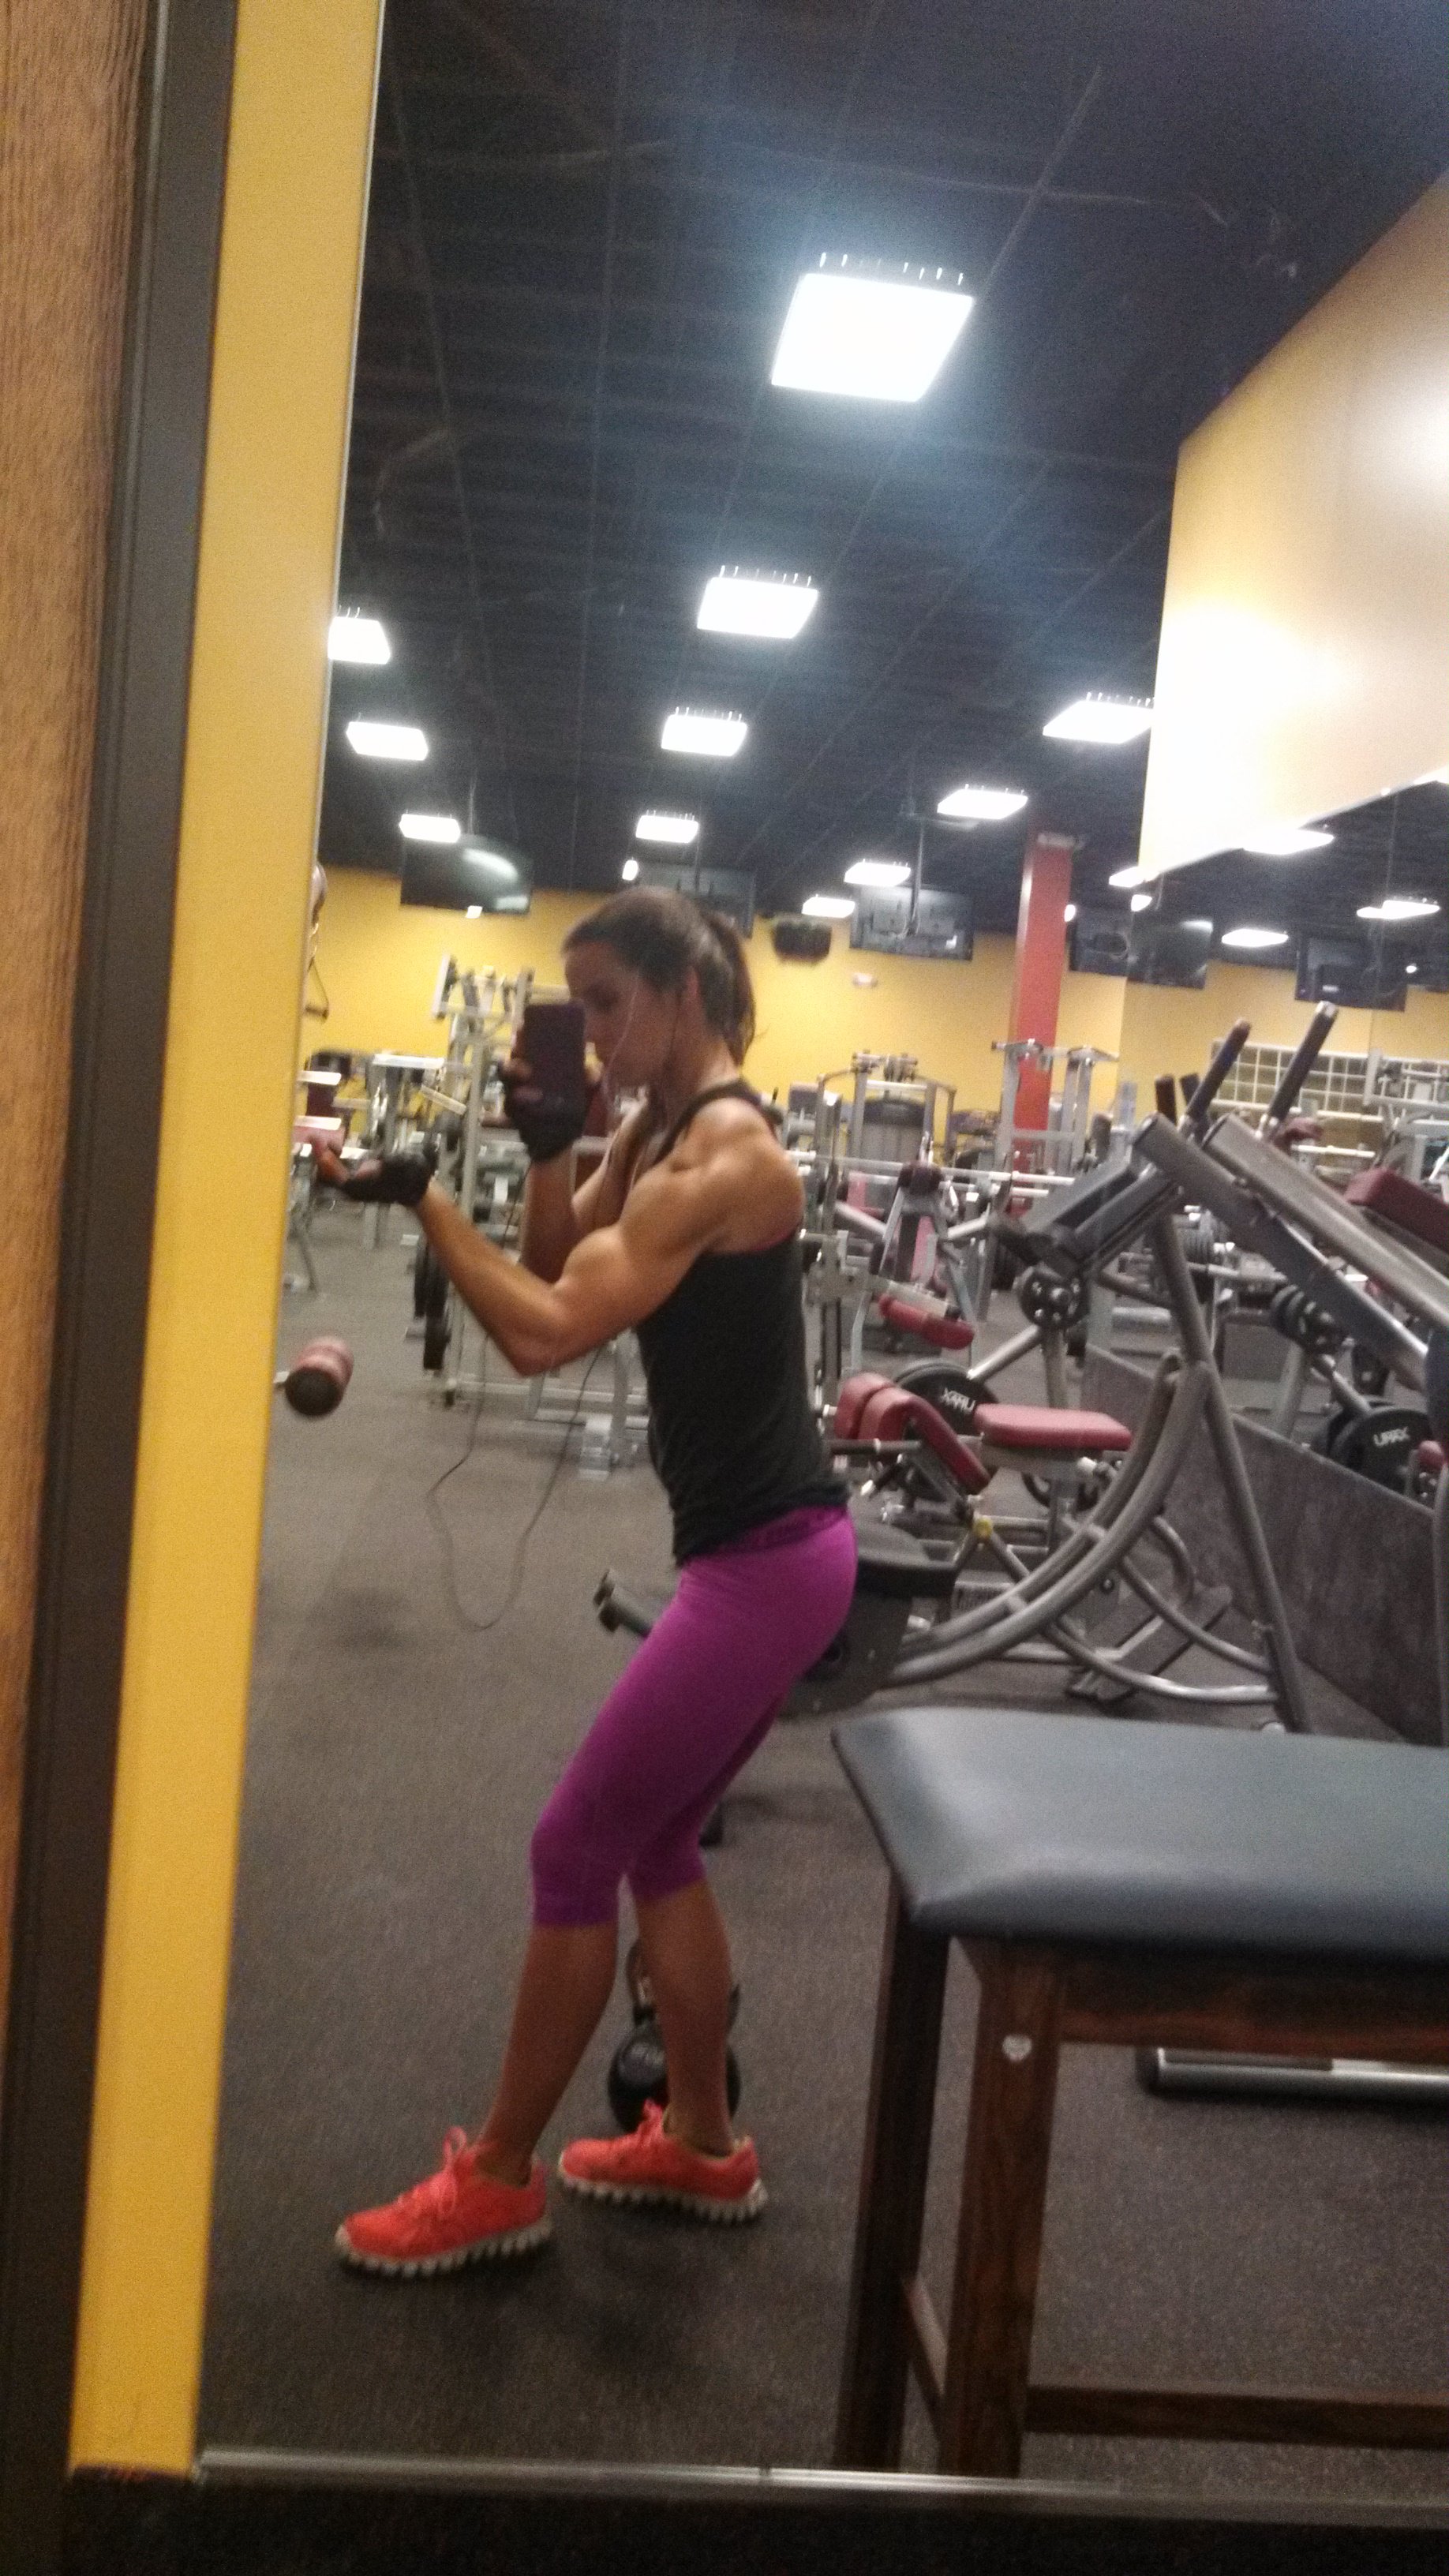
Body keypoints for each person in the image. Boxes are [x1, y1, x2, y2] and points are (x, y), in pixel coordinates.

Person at [323, 890, 856, 2274]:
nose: (597, 1035)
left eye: (610, 1004)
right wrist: (554, 1146)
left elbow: (544, 1334)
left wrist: (428, 1196)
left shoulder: (728, 1160)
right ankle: (704, 2144)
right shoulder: (652, 1135)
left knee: (572, 1848)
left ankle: (496, 2178)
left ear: (685, 992)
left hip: (765, 1568)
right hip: (761, 1555)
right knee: (658, 1844)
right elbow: (559, 1257)